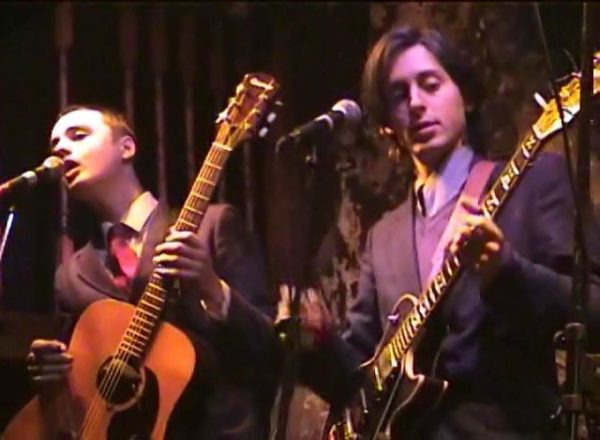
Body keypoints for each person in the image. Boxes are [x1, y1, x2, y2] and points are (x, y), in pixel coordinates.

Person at [294, 25, 600, 439]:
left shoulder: (535, 183)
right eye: (399, 95)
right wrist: (317, 343)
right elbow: (361, 379)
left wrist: (504, 271)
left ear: (467, 97)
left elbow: (593, 308)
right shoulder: (384, 236)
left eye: (430, 84)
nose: (416, 104)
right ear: (387, 125)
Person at [24, 104, 277, 438]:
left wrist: (212, 289)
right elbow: (85, 384)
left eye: (78, 135)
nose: (61, 149)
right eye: (55, 145)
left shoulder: (212, 226)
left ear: (126, 147)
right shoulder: (70, 276)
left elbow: (270, 348)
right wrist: (54, 376)